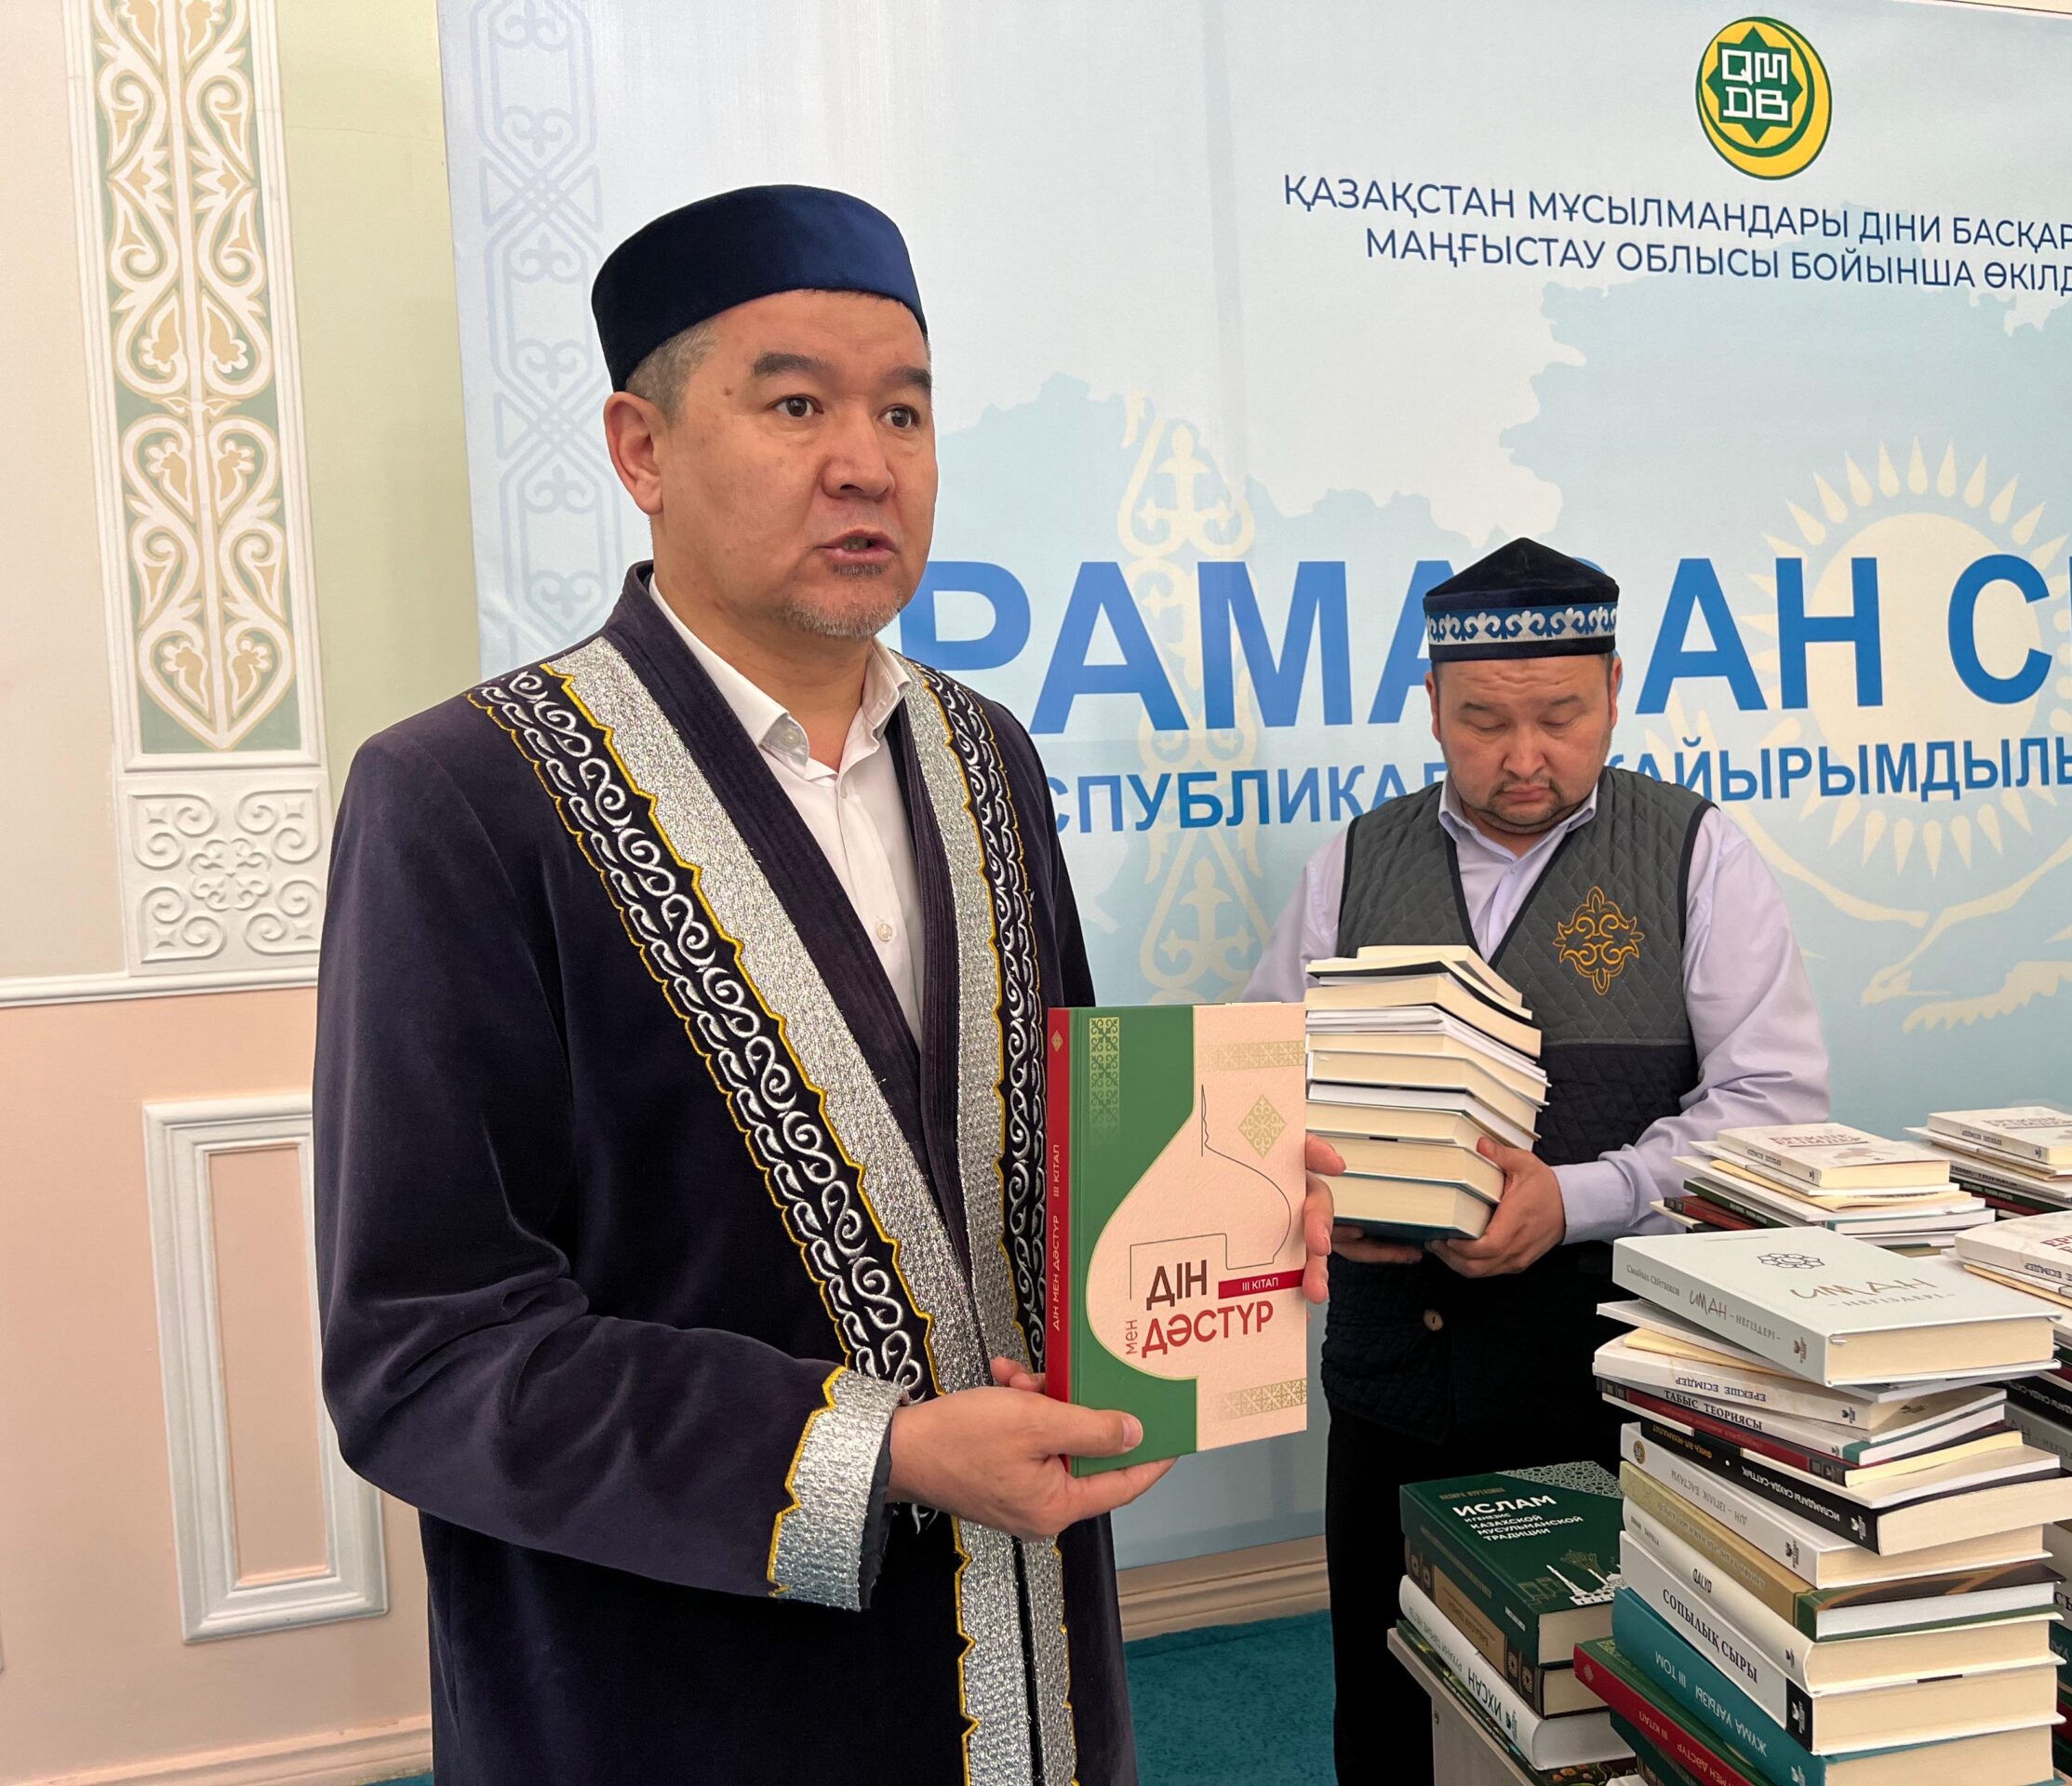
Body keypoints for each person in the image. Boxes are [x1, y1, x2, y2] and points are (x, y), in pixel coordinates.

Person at [314, 184, 1332, 1786]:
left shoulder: (987, 758)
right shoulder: (465, 796)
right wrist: (882, 1454)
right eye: (796, 405)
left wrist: (1230, 1216)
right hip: (681, 1693)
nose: (867, 461)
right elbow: (427, 1354)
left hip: (1034, 1650)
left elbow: (1044, 1167)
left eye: (903, 411)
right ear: (641, 449)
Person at [1242, 537, 1829, 1782]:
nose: (1523, 756)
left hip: (1618, 1393)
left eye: (1560, 717)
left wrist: (1575, 1200)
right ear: (1431, 709)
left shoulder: (1697, 853)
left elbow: (1775, 1111)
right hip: (1395, 1392)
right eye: (1482, 722)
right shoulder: (1354, 860)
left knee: (1609, 1731)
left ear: (1614, 690)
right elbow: (1259, 1082)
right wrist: (1319, 1188)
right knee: (1392, 1716)